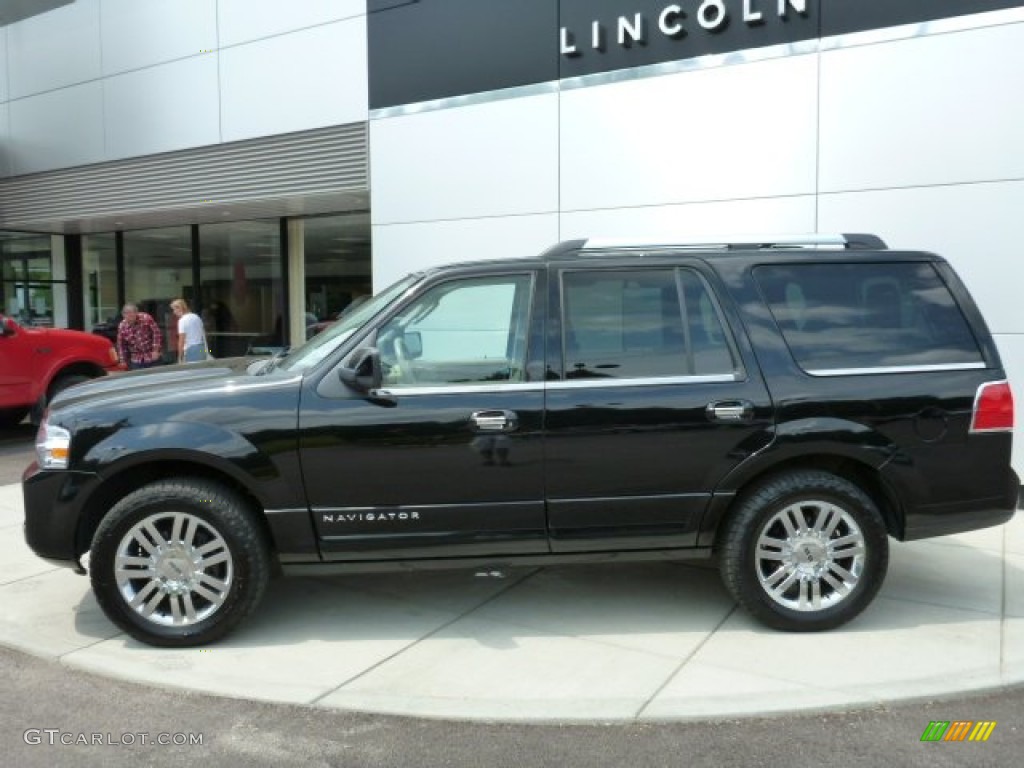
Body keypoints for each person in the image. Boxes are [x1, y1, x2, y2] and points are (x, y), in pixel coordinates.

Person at [116, 303, 163, 370]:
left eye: (131, 316)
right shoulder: (122, 326)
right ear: (123, 315)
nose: (129, 319)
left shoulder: (146, 318)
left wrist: (156, 350)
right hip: (136, 359)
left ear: (136, 313)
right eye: (127, 316)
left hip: (152, 355)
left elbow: (156, 333)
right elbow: (121, 345)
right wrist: (122, 360)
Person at [171, 298, 207, 363]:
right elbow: (203, 333)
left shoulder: (182, 321)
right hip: (201, 348)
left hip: (191, 349)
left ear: (179, 308)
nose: (174, 312)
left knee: (191, 371)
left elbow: (181, 340)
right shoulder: (196, 317)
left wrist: (180, 357)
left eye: (174, 309)